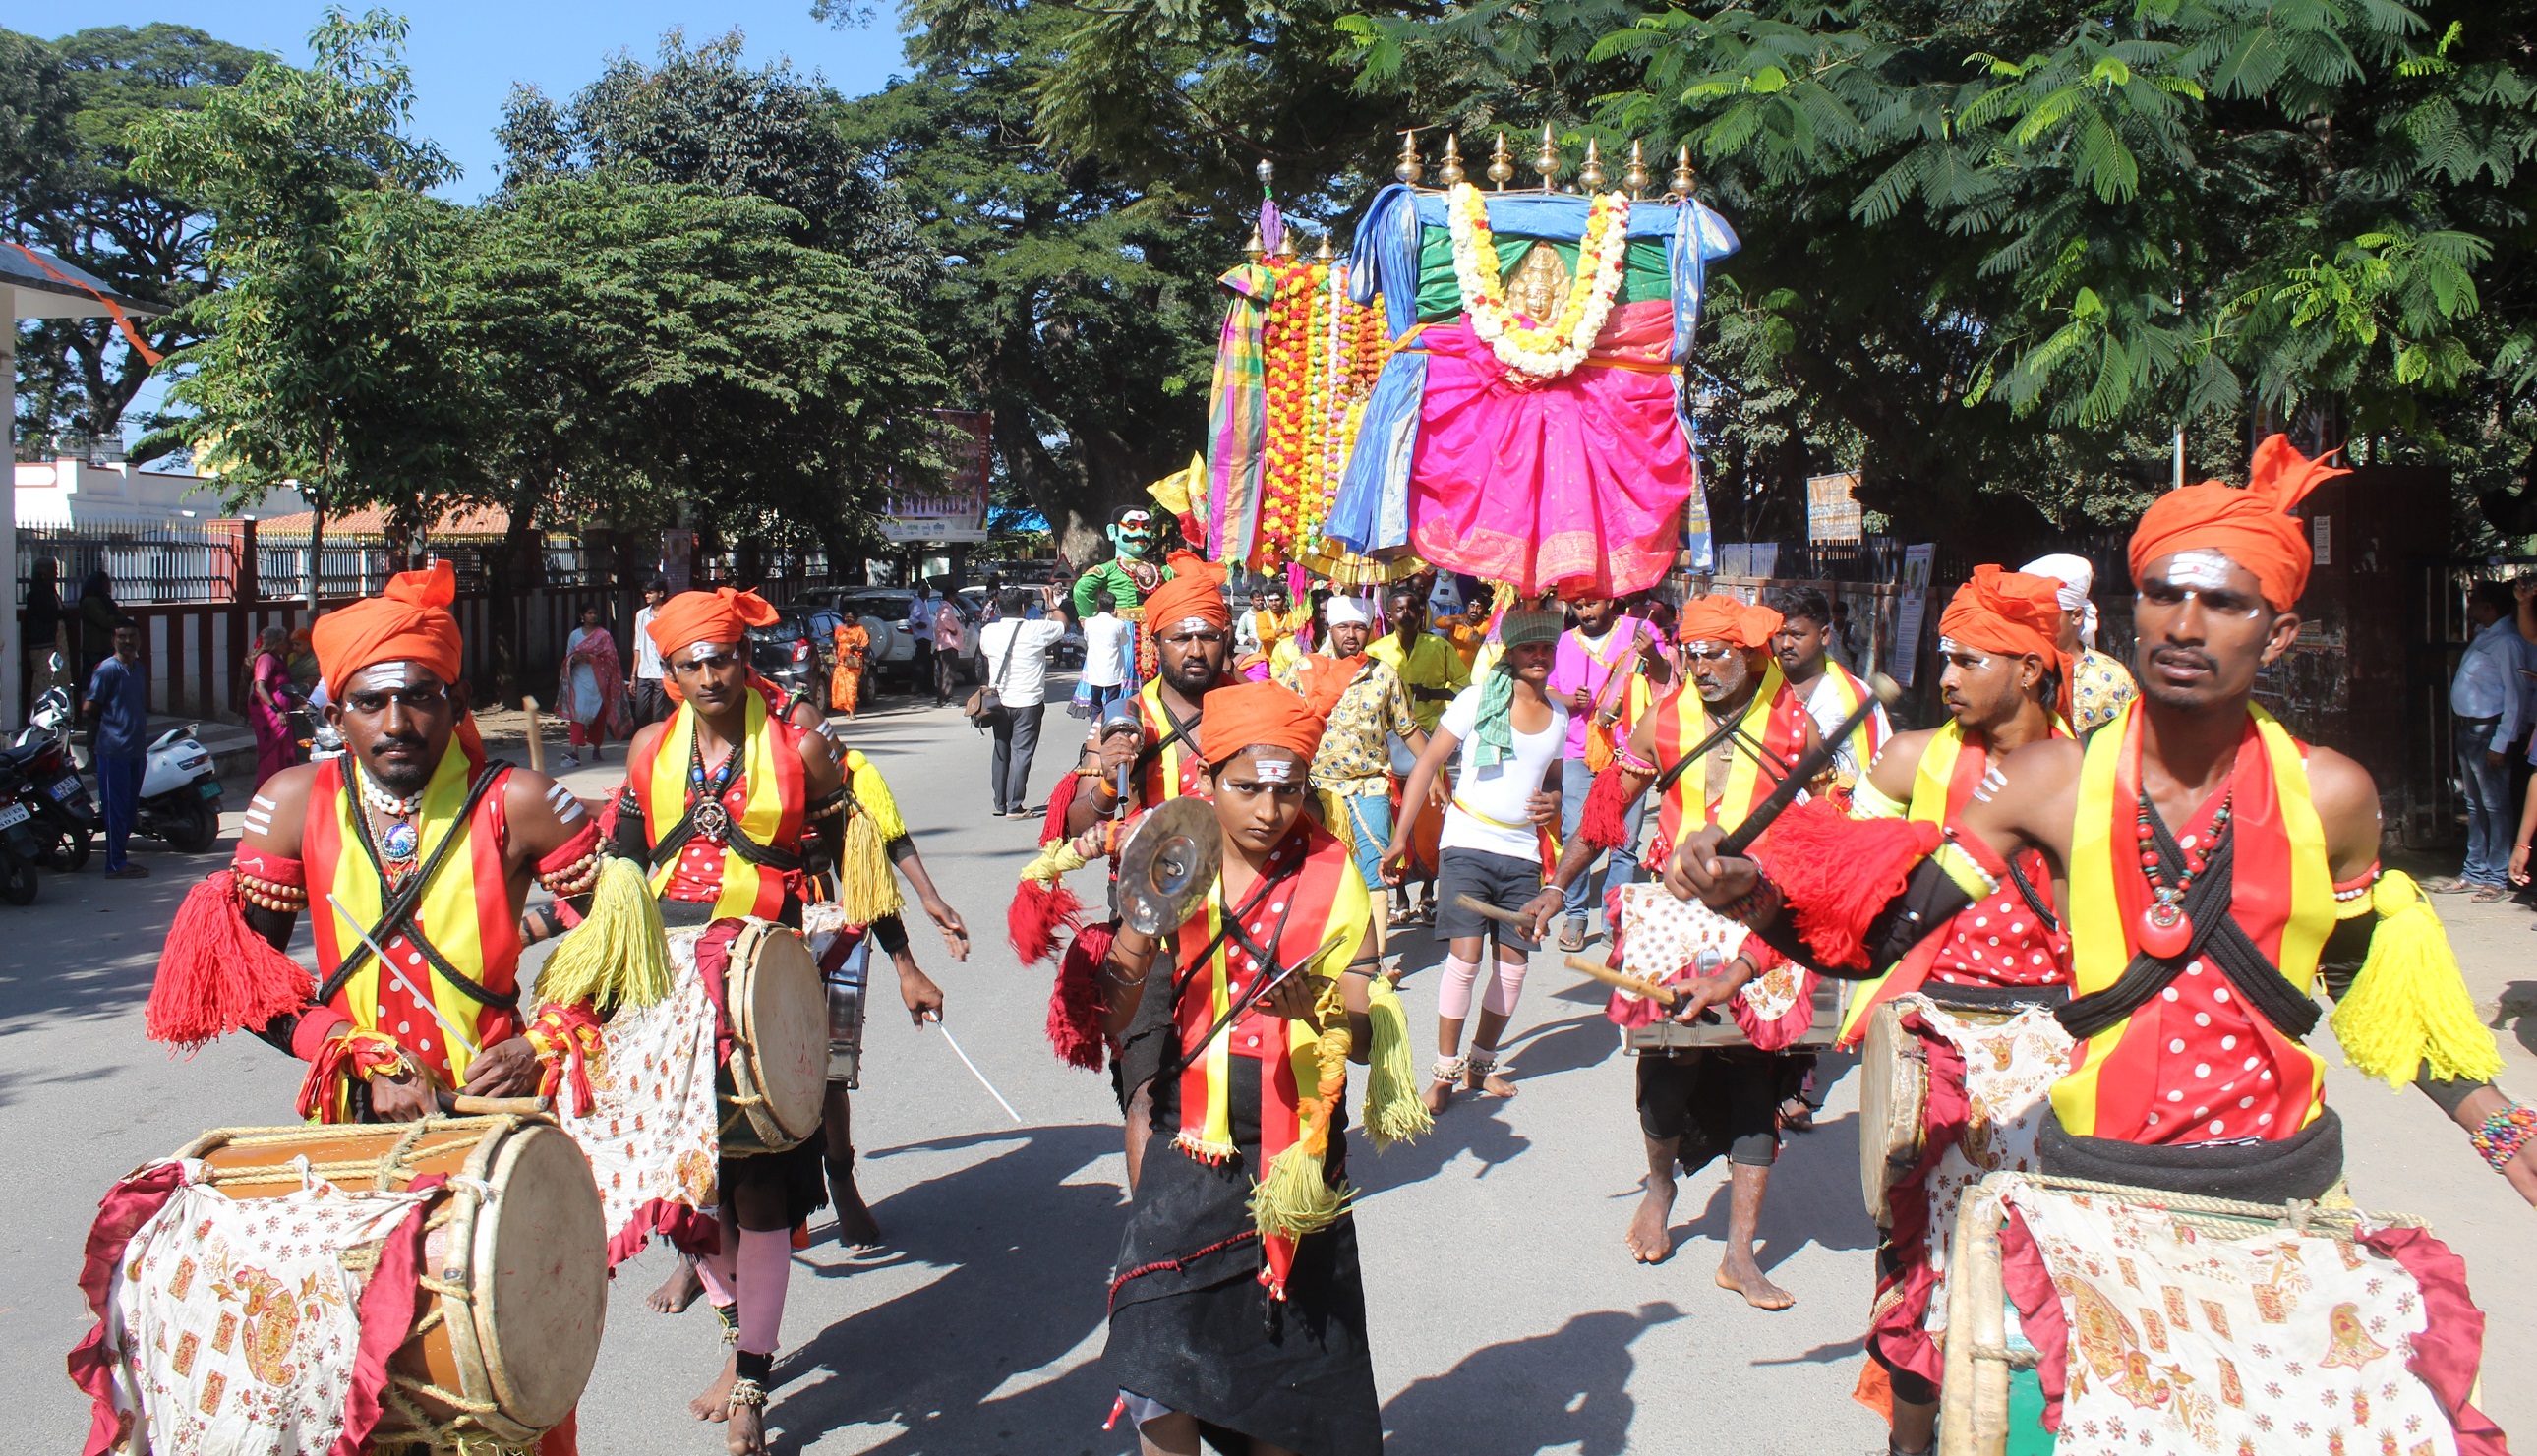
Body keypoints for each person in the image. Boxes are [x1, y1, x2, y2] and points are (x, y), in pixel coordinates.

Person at [1670, 437, 2535, 1239]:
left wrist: (2500, 1129)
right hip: (2095, 1178)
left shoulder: (2333, 794)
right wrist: (1750, 893)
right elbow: (1886, 938)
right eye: (2164, 593)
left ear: (2277, 637)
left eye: (2225, 603)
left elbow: (2357, 973)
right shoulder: (2052, 782)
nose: (2186, 625)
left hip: (2285, 1186)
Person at [151, 561, 599, 1126]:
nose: (396, 724)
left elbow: (624, 943)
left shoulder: (520, 802)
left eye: (419, 697)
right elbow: (248, 980)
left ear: (457, 704)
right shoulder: (292, 803)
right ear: (337, 718)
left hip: (499, 1109)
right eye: (369, 703)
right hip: (352, 1110)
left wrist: (540, 1043)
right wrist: (357, 1053)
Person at [1094, 680, 1419, 1456]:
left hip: (1298, 1156)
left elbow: (1371, 1032)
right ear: (1209, 779)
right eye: (1247, 788)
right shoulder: (1175, 848)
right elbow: (1112, 1007)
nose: (1269, 810)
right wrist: (1138, 931)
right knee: (1156, 1350)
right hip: (1194, 1139)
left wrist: (1328, 1008)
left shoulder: (1336, 870)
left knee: (1284, 1380)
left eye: (1289, 788)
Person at [1830, 567, 2077, 1454]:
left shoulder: (2092, 774)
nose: (1946, 677)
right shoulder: (1910, 759)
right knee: (1920, 1265)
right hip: (1934, 1040)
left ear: (2031, 669)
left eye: (1969, 659)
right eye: (1944, 658)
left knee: (2041, 1276)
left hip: (2055, 1049)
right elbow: (1843, 889)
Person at [1515, 595, 1819, 1304]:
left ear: (1750, 655)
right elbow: (1603, 815)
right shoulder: (1663, 720)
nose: (1703, 666)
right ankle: (1660, 1186)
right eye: (1692, 652)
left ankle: (1740, 1253)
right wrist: (1558, 887)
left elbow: (1823, 836)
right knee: (1666, 1064)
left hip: (1759, 920)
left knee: (1756, 1077)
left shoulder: (1796, 727)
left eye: (1718, 652)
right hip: (1673, 917)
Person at [611, 586, 856, 1455]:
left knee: (757, 1193)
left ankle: (752, 1375)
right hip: (664, 999)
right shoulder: (647, 750)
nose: (710, 674)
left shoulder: (801, 749)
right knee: (679, 1188)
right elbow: (622, 867)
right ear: (668, 670)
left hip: (762, 993)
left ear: (743, 657)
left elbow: (843, 855)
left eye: (722, 657)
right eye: (691, 662)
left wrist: (848, 948)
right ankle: (731, 1327)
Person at [1384, 607, 1567, 1113]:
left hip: (1522, 855)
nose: (1538, 656)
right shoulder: (1475, 702)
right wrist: (1402, 837)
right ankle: (1443, 1073)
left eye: (1546, 648)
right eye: (1529, 648)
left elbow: (1551, 780)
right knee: (1463, 961)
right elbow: (1427, 764)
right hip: (1465, 845)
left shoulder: (1561, 718)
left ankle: (1480, 1066)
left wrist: (1553, 801)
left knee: (1513, 970)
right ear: (1509, 652)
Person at [1278, 596, 1427, 903]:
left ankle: (1374, 952)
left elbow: (1406, 727)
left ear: (1370, 629)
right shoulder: (1304, 671)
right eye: (1343, 627)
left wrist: (1433, 773)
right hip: (1316, 790)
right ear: (1330, 628)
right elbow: (1278, 719)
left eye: (1359, 627)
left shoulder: (1384, 674)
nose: (1350, 634)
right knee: (1319, 877)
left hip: (1370, 786)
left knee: (1375, 873)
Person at [1547, 597, 1657, 952]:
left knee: (1624, 842)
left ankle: (1615, 918)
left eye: (1591, 603)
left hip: (1630, 753)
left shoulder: (1640, 631)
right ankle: (1575, 914)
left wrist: (1652, 654)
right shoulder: (1564, 642)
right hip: (1579, 750)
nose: (1585, 613)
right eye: (1577, 606)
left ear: (1609, 599)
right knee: (1575, 832)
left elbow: (1666, 681)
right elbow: (1546, 689)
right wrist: (1568, 699)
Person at [1368, 586, 1469, 921]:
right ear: (1389, 614)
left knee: (1429, 825)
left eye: (1413, 608)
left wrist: (1436, 691)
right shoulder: (1376, 651)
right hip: (1389, 750)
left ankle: (1427, 892)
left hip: (1432, 745)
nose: (1406, 614)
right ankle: (1399, 895)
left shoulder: (1439, 648)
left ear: (1422, 611)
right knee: (1395, 821)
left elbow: (1465, 688)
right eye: (1399, 609)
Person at [2430, 579, 2533, 903]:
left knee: (2495, 805)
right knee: (2475, 805)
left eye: (2474, 601)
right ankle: (2474, 869)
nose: (2469, 606)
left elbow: (2516, 697)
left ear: (2489, 607)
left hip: (2488, 732)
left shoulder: (2507, 642)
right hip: (2469, 730)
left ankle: (2497, 875)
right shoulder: (2487, 636)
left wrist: (2501, 743)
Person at [1769, 585, 1890, 802]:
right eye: (1779, 635)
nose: (1785, 644)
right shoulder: (1758, 689)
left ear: (1825, 636)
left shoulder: (1858, 696)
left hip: (1839, 817)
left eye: (1796, 635)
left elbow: (1882, 768)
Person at [2021, 553, 2139, 735]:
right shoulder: (2018, 671)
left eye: (2047, 616)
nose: (2036, 623)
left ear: (2076, 616)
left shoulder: (2112, 678)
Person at [979, 586, 1067, 817]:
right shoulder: (1035, 630)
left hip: (998, 700)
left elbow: (987, 653)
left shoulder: (988, 631)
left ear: (998, 607)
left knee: (1001, 749)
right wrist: (1050, 602)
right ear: (1023, 607)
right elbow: (1062, 624)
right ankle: (1015, 805)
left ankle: (1000, 803)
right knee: (1021, 752)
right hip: (1028, 701)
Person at [84, 616, 152, 880]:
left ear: (139, 640)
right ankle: (114, 864)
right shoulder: (106, 669)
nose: (127, 641)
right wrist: (97, 744)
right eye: (121, 636)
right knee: (114, 810)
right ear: (113, 640)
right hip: (113, 752)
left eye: (131, 636)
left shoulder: (139, 669)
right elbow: (91, 708)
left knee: (128, 810)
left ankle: (121, 859)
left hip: (136, 750)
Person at [557, 605, 630, 768]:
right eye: (590, 613)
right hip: (579, 679)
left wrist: (592, 658)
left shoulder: (604, 636)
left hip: (599, 681)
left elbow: (612, 659)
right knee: (577, 714)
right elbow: (568, 657)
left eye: (595, 613)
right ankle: (574, 752)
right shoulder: (575, 635)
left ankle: (596, 749)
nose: (593, 616)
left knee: (598, 715)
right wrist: (575, 659)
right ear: (582, 616)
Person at [247, 624, 298, 787]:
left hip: (283, 711)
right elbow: (259, 686)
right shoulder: (267, 659)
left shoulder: (278, 659)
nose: (286, 645)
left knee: (285, 749)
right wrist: (277, 710)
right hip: (270, 714)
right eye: (283, 641)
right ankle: (269, 785)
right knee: (273, 751)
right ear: (276, 643)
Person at [1082, 589, 1135, 718]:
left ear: (1098, 605)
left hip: (1095, 670)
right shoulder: (1118, 624)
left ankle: (1095, 728)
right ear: (1114, 607)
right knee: (1112, 703)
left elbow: (1086, 638)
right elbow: (1125, 641)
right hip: (1112, 671)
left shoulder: (1089, 622)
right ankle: (1109, 729)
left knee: (1095, 703)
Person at [629, 577, 671, 727]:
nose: (646, 595)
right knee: (641, 712)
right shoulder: (641, 615)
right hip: (644, 671)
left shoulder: (669, 614)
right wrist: (633, 676)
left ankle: (656, 743)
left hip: (662, 672)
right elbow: (638, 645)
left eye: (650, 592)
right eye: (646, 592)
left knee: (658, 713)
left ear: (660, 593)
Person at [23, 556, 62, 711]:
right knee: (43, 680)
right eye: (53, 570)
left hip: (51, 643)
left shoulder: (49, 591)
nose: (56, 574)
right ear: (43, 573)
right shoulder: (37, 594)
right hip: (42, 643)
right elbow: (47, 615)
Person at [78, 567, 118, 679]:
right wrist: (114, 619)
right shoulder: (90, 601)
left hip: (107, 646)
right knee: (94, 678)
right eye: (106, 583)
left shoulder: (106, 600)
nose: (109, 586)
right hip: (95, 648)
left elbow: (121, 616)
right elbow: (104, 621)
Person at [829, 612, 871, 716]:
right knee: (840, 686)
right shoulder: (839, 629)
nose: (848, 619)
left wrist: (857, 648)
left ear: (856, 619)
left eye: (851, 618)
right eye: (847, 617)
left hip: (854, 662)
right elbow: (835, 645)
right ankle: (846, 708)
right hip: (841, 661)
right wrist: (834, 657)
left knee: (851, 686)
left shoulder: (860, 629)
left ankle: (851, 710)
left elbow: (866, 646)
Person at [933, 590, 968, 705]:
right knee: (949, 672)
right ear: (949, 596)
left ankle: (943, 698)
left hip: (946, 644)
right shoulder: (946, 607)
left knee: (946, 671)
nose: (955, 599)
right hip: (948, 644)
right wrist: (953, 629)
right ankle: (945, 699)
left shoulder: (943, 607)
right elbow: (944, 619)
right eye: (954, 596)